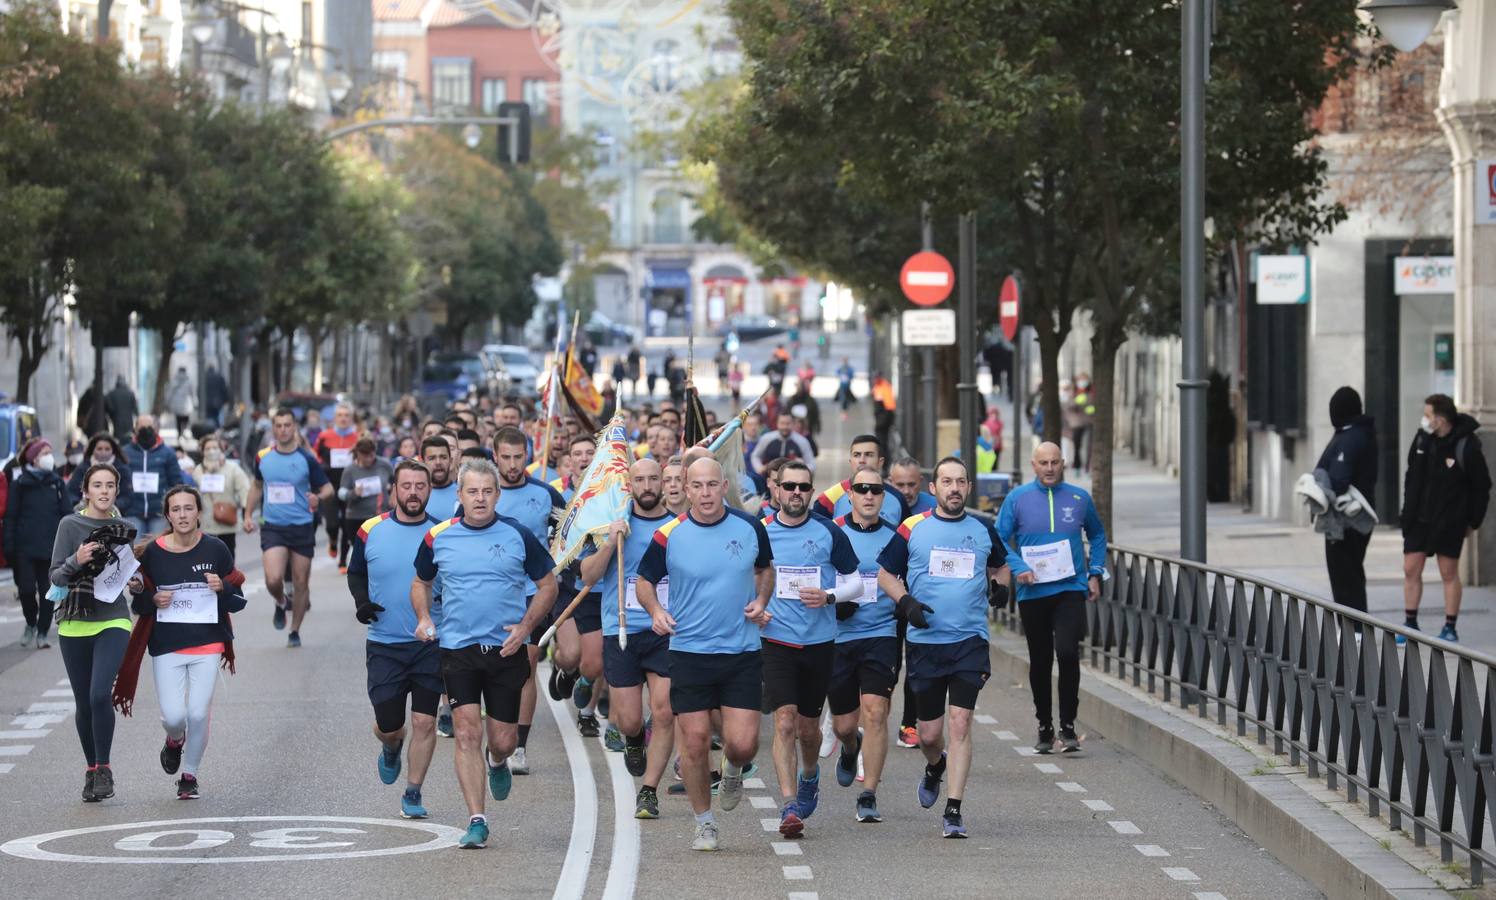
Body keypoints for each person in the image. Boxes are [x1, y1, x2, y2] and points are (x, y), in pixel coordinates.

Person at [412, 458, 558, 850]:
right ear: (459, 496)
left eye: (487, 492)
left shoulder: (518, 535)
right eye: (472, 492)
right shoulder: (438, 537)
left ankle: (498, 762)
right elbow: (421, 582)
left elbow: (548, 585)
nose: (479, 499)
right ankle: (477, 818)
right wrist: (424, 616)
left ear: (497, 495)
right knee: (465, 731)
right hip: (457, 649)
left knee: (503, 740)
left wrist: (526, 628)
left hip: (505, 648)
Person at [635, 457, 773, 852]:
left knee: (744, 744)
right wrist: (656, 611)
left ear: (723, 485)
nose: (706, 493)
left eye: (713, 485)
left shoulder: (749, 527)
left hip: (740, 650)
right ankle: (704, 822)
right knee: (693, 743)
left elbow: (766, 570)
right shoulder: (669, 535)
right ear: (686, 489)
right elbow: (645, 582)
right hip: (689, 652)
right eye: (698, 486)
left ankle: (733, 768)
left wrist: (761, 598)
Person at [877, 457, 1008, 838]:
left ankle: (954, 810)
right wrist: (906, 603)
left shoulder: (984, 529)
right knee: (930, 735)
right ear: (933, 489)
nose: (954, 488)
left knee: (960, 722)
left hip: (969, 640)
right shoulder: (912, 528)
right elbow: (886, 574)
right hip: (926, 642)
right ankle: (935, 766)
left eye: (961, 482)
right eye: (946, 482)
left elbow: (1001, 567)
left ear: (969, 488)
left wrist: (1000, 588)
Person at [759, 460, 863, 838]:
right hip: (776, 641)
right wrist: (756, 607)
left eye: (804, 487)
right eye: (789, 486)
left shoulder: (827, 533)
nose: (796, 493)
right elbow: (744, 578)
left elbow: (857, 583)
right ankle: (789, 805)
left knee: (807, 730)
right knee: (784, 721)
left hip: (819, 643)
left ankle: (809, 774)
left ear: (811, 491)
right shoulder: (763, 532)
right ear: (777, 491)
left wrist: (829, 595)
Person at [128, 484, 245, 799]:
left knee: (197, 713)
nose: (182, 514)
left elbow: (237, 598)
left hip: (207, 644)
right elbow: (138, 603)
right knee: (174, 717)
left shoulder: (216, 549)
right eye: (176, 509)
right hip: (166, 645)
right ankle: (174, 741)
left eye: (188, 508)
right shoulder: (153, 553)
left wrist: (222, 587)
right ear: (167, 515)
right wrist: (152, 597)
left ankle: (189, 774)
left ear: (199, 513)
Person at [578, 458, 677, 817]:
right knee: (630, 719)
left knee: (665, 711)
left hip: (664, 630)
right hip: (621, 630)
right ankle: (635, 740)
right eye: (640, 479)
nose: (648, 485)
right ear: (629, 484)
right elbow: (588, 576)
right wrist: (609, 543)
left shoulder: (677, 526)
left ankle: (649, 790)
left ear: (664, 483)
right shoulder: (612, 524)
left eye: (654, 479)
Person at [996, 442, 1106, 754]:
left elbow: (1097, 534)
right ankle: (1044, 724)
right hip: (1033, 591)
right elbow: (999, 537)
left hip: (1070, 588)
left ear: (1063, 463)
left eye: (1054, 462)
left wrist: (1095, 572)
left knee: (1068, 653)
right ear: (1033, 465)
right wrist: (1018, 567)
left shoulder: (1078, 497)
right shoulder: (1017, 498)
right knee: (1041, 660)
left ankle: (1068, 725)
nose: (1049, 468)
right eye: (1043, 462)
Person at [349, 459, 441, 819]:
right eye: (407, 486)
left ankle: (414, 792)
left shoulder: (441, 532)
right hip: (385, 643)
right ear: (394, 490)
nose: (413, 492)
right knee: (390, 723)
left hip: (430, 643)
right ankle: (391, 745)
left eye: (420, 486)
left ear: (429, 490)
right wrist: (361, 603)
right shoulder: (370, 529)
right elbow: (356, 573)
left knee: (424, 722)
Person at [47, 463, 140, 800]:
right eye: (97, 485)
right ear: (85, 491)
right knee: (84, 702)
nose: (103, 491)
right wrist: (77, 558)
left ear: (117, 490)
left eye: (110, 485)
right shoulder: (69, 524)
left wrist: (137, 582)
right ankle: (90, 770)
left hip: (113, 619)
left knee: (100, 694)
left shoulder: (125, 528)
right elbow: (55, 577)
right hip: (74, 620)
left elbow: (135, 575)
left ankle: (105, 768)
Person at [829, 467, 902, 822]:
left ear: (883, 497)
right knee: (844, 724)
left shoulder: (895, 537)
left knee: (875, 711)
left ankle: (869, 793)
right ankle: (848, 746)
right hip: (839, 638)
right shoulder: (834, 533)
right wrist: (834, 601)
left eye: (876, 490)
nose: (869, 495)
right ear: (851, 495)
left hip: (881, 635)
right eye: (862, 489)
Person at [493, 426, 567, 775]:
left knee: (527, 662)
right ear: (494, 457)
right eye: (505, 457)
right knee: (494, 669)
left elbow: (566, 536)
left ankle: (519, 746)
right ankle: (498, 735)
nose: (511, 464)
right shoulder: (483, 494)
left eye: (518, 457)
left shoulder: (547, 494)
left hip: (533, 593)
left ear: (529, 455)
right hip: (491, 596)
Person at [1400, 394, 1492, 643]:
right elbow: (1411, 476)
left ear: (1440, 420)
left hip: (1449, 521)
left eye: (1428, 415)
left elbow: (1481, 486)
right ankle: (1410, 624)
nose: (1425, 419)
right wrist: (1406, 514)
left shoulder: (1466, 445)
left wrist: (1473, 521)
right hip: (1419, 519)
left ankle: (1450, 626)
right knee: (1410, 568)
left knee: (1448, 572)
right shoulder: (1422, 439)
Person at [243, 407, 332, 648]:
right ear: (273, 428)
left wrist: (318, 498)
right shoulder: (263, 457)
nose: (283, 429)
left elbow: (328, 489)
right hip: (273, 527)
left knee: (301, 583)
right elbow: (256, 486)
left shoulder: (306, 458)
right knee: (273, 579)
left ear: (294, 428)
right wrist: (248, 514)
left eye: (287, 425)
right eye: (279, 425)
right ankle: (281, 602)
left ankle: (295, 630)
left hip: (302, 527)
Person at [1316, 387, 1378, 618]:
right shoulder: (1356, 433)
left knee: (1344, 576)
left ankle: (1355, 630)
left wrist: (1317, 486)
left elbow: (1339, 480)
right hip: (1352, 518)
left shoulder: (1351, 437)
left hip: (1345, 520)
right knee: (1350, 573)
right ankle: (1354, 628)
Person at [5, 439, 71, 648]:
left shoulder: (57, 483)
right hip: (24, 547)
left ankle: (42, 631)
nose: (49, 457)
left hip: (50, 547)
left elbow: (66, 514)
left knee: (47, 592)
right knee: (25, 590)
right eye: (45, 453)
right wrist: (9, 545)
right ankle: (30, 623)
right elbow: (11, 516)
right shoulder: (19, 484)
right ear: (34, 459)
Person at [815, 435, 910, 524]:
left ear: (880, 462)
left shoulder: (898, 499)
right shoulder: (828, 499)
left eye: (869, 455)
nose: (862, 460)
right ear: (851, 461)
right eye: (857, 455)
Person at [121, 415, 186, 538]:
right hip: (132, 511)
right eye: (142, 427)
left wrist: (172, 507)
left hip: (158, 513)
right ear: (135, 429)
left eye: (149, 427)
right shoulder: (125, 453)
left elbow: (177, 483)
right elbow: (119, 481)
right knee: (134, 550)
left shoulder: (168, 453)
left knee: (157, 550)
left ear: (156, 429)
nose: (146, 430)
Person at [337, 437, 394, 574]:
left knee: (379, 552)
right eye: (365, 456)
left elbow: (394, 481)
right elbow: (341, 492)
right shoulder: (350, 470)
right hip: (356, 517)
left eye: (371, 455)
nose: (369, 459)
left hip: (379, 516)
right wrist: (353, 493)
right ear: (358, 454)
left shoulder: (384, 465)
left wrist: (391, 490)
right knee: (362, 554)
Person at [314, 403, 362, 564]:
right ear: (335, 418)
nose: (343, 418)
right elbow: (316, 458)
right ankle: (332, 540)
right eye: (340, 415)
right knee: (332, 524)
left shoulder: (358, 437)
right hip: (330, 485)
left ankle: (343, 560)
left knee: (346, 523)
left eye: (346, 415)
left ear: (351, 418)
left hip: (350, 485)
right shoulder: (325, 436)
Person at [195, 435, 251, 559]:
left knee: (228, 559)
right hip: (206, 524)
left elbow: (244, 489)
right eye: (208, 448)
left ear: (221, 449)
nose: (211, 451)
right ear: (202, 451)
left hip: (227, 523)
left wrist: (247, 513)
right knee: (208, 560)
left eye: (215, 447)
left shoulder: (232, 468)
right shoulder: (198, 471)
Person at [67, 434, 132, 509]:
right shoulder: (82, 468)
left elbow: (127, 496)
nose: (103, 452)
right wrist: (79, 505)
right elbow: (71, 492)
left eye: (107, 449)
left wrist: (113, 506)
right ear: (93, 450)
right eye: (99, 449)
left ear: (113, 451)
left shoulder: (122, 469)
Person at [750, 412, 817, 475]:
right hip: (768, 481)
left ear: (793, 424)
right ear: (777, 423)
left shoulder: (802, 441)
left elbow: (812, 464)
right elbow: (755, 456)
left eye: (788, 423)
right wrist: (759, 468)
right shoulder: (767, 438)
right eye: (782, 423)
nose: (785, 427)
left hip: (791, 483)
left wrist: (803, 467)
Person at [165, 368, 196, 437]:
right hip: (186, 403)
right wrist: (194, 401)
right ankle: (183, 430)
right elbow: (192, 393)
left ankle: (179, 432)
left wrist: (168, 402)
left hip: (177, 403)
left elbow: (169, 393)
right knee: (186, 418)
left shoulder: (174, 381)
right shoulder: (189, 381)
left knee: (178, 419)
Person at [870, 372, 896, 454]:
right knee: (881, 440)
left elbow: (889, 405)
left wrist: (881, 422)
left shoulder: (884, 387)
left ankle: (885, 460)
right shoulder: (877, 387)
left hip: (883, 418)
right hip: (881, 418)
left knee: (882, 440)